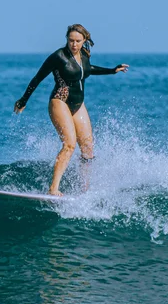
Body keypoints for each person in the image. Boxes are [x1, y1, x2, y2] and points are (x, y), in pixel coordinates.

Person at [14, 24, 128, 196]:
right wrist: (23, 100)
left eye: (77, 41)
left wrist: (112, 71)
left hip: (78, 104)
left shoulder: (84, 54)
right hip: (60, 101)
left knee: (88, 147)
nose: (74, 44)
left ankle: (84, 189)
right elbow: (37, 78)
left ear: (84, 40)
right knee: (69, 144)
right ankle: (53, 188)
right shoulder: (58, 57)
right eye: (71, 40)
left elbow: (88, 70)